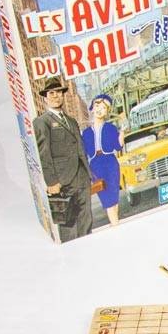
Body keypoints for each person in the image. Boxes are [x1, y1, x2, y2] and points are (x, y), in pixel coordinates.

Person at [33, 76, 92, 240]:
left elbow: (80, 148)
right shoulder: (41, 122)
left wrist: (88, 174)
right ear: (45, 97)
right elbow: (44, 155)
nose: (56, 96)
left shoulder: (72, 121)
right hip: (62, 182)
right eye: (51, 93)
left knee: (86, 221)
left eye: (59, 92)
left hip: (81, 177)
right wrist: (52, 182)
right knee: (68, 226)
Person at [81, 93, 123, 225]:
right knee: (107, 200)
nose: (100, 109)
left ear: (107, 112)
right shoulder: (86, 133)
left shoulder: (111, 128)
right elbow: (84, 152)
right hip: (96, 166)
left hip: (111, 164)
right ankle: (116, 226)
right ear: (92, 108)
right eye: (97, 105)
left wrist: (122, 133)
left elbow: (118, 147)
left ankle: (115, 225)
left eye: (104, 108)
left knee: (114, 199)